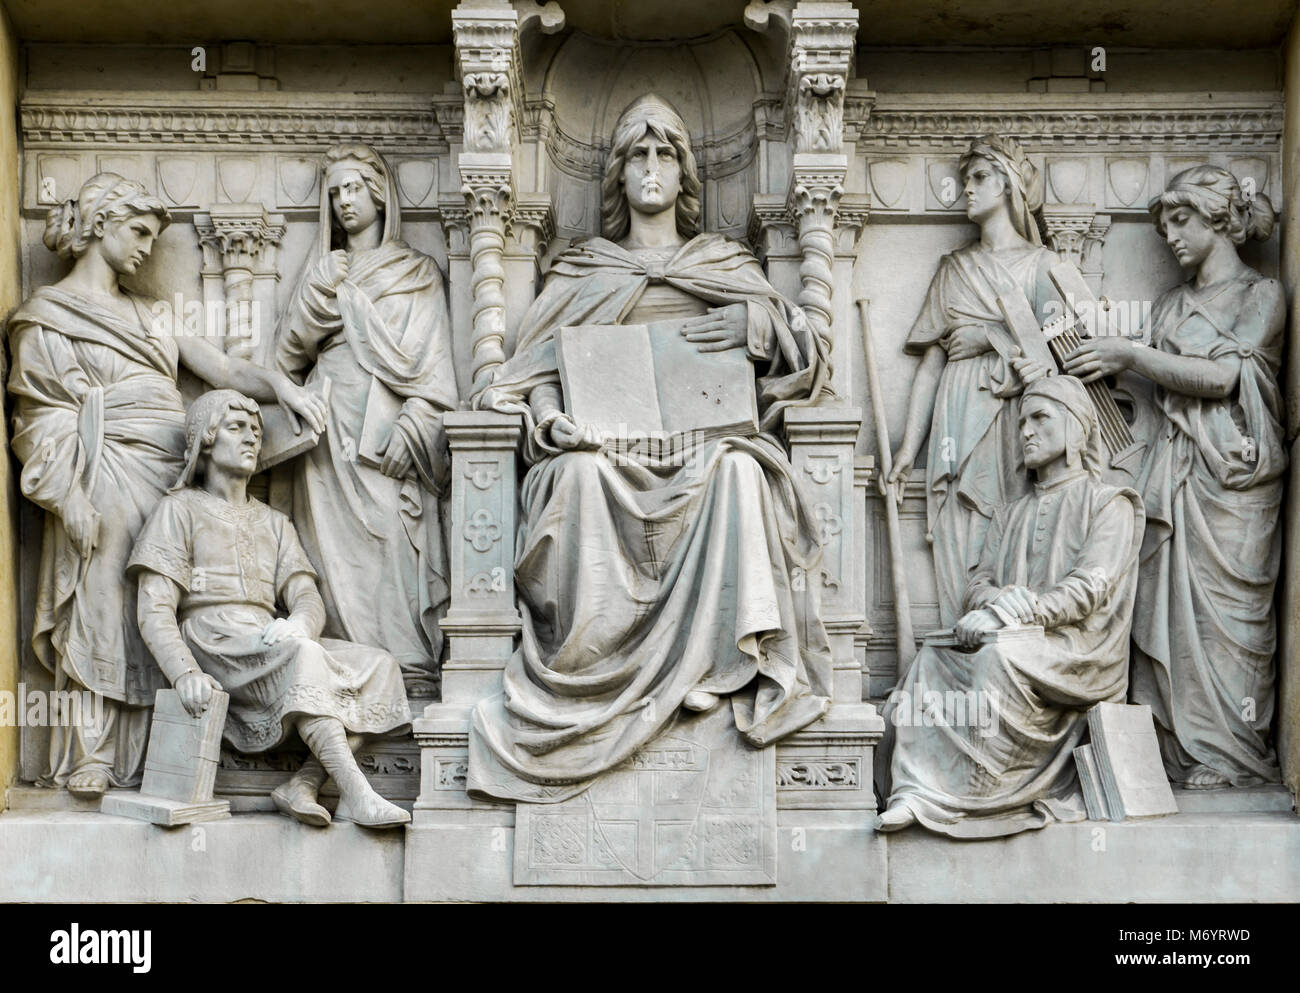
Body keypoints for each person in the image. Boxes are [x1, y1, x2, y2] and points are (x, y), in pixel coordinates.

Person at [465, 94, 835, 803]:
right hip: (606, 452)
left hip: (704, 449)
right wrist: (553, 423)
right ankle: (588, 672)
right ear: (618, 177)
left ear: (687, 174)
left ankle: (723, 667)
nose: (652, 166)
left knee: (739, 473)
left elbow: (809, 361)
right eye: (638, 153)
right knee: (572, 477)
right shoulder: (584, 271)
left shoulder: (723, 264)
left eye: (666, 153)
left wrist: (753, 324)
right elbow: (527, 379)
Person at [6, 173, 326, 797]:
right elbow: (38, 415)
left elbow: (226, 369)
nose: (147, 249)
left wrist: (284, 387)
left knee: (160, 609)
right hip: (100, 469)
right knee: (101, 604)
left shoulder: (153, 317)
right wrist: (66, 495)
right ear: (99, 225)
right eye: (139, 232)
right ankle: (91, 753)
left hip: (169, 471)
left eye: (154, 237)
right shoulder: (45, 317)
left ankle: (163, 749)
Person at [1063, 166, 1285, 789]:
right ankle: (1177, 749)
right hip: (1175, 475)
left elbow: (1220, 380)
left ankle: (1233, 754)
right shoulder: (1168, 305)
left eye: (1182, 222)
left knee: (1229, 626)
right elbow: (1163, 386)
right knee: (1165, 612)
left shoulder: (1260, 296)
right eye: (1164, 229)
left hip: (1232, 483)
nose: (1172, 239)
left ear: (1220, 219)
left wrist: (1129, 353)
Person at [128, 390, 413, 828]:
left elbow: (304, 594)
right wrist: (184, 672)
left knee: (380, 667)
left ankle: (304, 782)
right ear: (206, 438)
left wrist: (300, 622)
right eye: (236, 427)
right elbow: (154, 608)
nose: (250, 439)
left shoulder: (274, 523)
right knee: (306, 656)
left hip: (268, 639)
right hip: (214, 640)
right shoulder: (177, 510)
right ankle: (357, 795)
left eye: (256, 431)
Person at [877, 376, 1144, 837]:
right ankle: (916, 792)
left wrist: (1015, 613)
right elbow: (977, 584)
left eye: (1040, 418)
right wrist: (997, 602)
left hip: (1078, 655)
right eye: (1022, 421)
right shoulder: (1010, 513)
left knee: (999, 658)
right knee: (931, 661)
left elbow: (1089, 589)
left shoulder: (1110, 503)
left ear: (1077, 429)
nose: (1026, 431)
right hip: (1017, 638)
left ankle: (974, 799)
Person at [275, 143, 457, 697]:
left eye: (353, 187)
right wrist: (319, 290)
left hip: (389, 431)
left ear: (379, 193)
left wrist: (417, 421)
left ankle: (407, 668)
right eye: (334, 192)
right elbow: (285, 358)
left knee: (396, 542)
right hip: (328, 431)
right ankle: (339, 679)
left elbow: (435, 365)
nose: (343, 201)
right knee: (334, 559)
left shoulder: (417, 271)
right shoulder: (322, 272)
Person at [888, 134, 1061, 626]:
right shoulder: (955, 269)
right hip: (957, 413)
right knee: (961, 526)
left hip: (1016, 413)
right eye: (965, 179)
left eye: (980, 177)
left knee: (1015, 520)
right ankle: (960, 640)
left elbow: (1064, 358)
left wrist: (991, 336)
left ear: (1008, 185)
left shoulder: (1043, 266)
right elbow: (931, 363)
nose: (967, 188)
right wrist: (907, 450)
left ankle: (1015, 640)